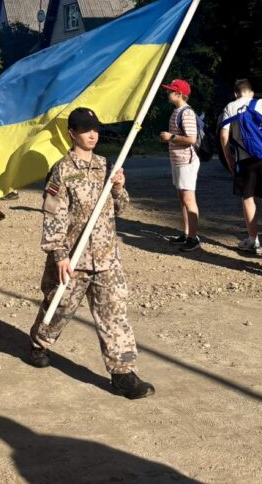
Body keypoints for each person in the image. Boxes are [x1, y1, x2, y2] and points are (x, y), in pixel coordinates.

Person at [28, 107, 154, 400]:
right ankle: (39, 342)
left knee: (115, 313)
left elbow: (120, 209)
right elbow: (53, 214)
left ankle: (123, 373)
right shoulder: (62, 169)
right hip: (74, 257)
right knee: (58, 308)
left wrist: (120, 188)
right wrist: (59, 254)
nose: (92, 134)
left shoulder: (106, 165)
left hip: (107, 257)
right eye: (85, 130)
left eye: (95, 129)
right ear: (72, 133)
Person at [220, 79, 262, 259]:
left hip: (244, 160)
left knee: (248, 198)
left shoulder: (230, 106)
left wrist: (229, 158)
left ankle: (253, 239)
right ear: (251, 92)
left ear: (236, 94)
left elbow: (224, 135)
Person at [158, 79, 202, 252]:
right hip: (178, 160)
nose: (167, 93)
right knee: (182, 198)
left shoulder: (187, 113)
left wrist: (171, 137)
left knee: (189, 199)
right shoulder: (177, 111)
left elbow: (192, 138)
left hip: (186, 161)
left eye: (170, 91)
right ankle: (186, 233)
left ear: (179, 94)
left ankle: (193, 237)